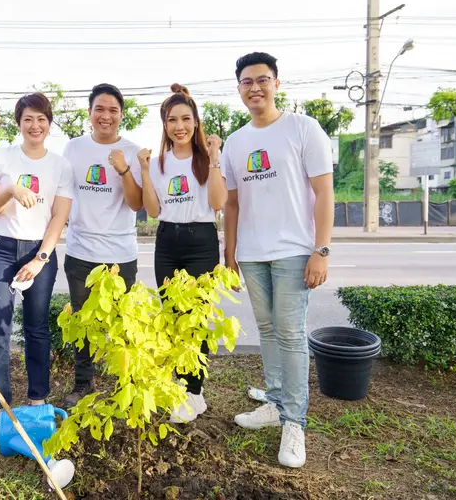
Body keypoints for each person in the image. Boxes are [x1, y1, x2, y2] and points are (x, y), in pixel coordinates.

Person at [222, 52, 334, 468]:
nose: (255, 87)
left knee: (290, 333)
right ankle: (274, 402)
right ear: (238, 89)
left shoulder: (303, 128)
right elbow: (231, 205)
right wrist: (229, 254)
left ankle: (294, 423)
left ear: (276, 83)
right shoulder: (235, 142)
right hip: (252, 254)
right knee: (267, 330)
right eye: (247, 81)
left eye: (262, 79)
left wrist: (320, 249)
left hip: (294, 250)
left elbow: (324, 192)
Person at [0, 92, 74, 430]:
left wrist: (41, 259)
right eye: (28, 119)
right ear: (18, 123)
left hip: (39, 250)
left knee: (36, 327)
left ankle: (38, 397)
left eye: (41, 119)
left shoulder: (60, 165)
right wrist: (10, 190)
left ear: (49, 123)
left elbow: (59, 217)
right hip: (0, 248)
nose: (35, 125)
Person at [138, 83, 227, 423]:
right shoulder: (158, 163)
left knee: (196, 319)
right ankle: (180, 387)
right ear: (164, 124)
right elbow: (153, 210)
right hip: (167, 243)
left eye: (186, 118)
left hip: (201, 241)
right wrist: (145, 171)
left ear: (195, 121)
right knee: (173, 318)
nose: (179, 126)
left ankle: (194, 393)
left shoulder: (206, 160)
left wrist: (215, 158)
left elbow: (218, 203)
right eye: (172, 119)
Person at [61, 83, 146, 408]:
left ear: (121, 115)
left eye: (112, 110)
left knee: (122, 322)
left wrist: (123, 168)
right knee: (83, 322)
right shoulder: (73, 148)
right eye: (100, 109)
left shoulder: (132, 151)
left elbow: (136, 204)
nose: (105, 116)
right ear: (90, 113)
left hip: (120, 255)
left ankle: (126, 383)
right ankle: (84, 384)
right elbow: (64, 193)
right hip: (80, 251)